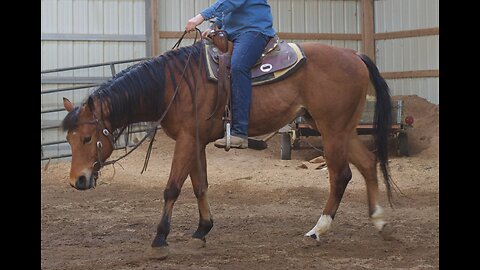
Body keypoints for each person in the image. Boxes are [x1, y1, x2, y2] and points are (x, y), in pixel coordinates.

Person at [185, 0, 276, 149]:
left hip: (253, 31)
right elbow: (227, 11)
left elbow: (231, 2)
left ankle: (239, 132)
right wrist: (215, 26)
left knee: (239, 67)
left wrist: (200, 17)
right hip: (233, 33)